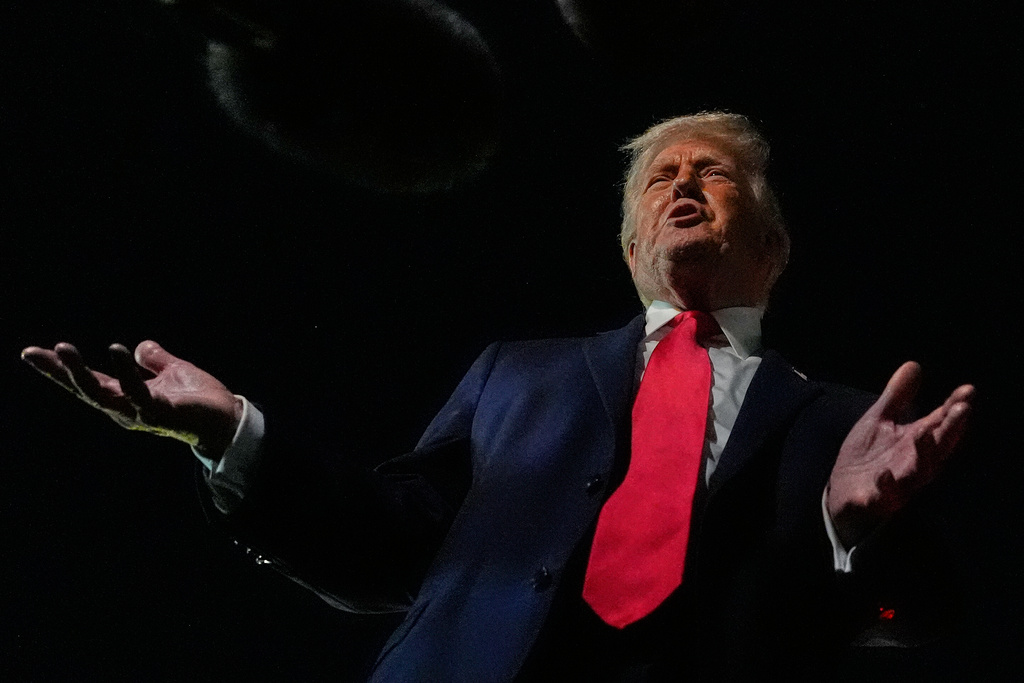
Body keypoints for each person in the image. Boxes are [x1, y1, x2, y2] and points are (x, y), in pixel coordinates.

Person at [22, 112, 974, 681]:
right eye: (660, 177)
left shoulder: (852, 424)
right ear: (629, 247)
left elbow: (925, 618)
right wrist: (236, 435)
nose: (683, 182)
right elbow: (393, 542)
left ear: (770, 241)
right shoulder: (516, 373)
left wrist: (859, 534)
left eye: (712, 171)